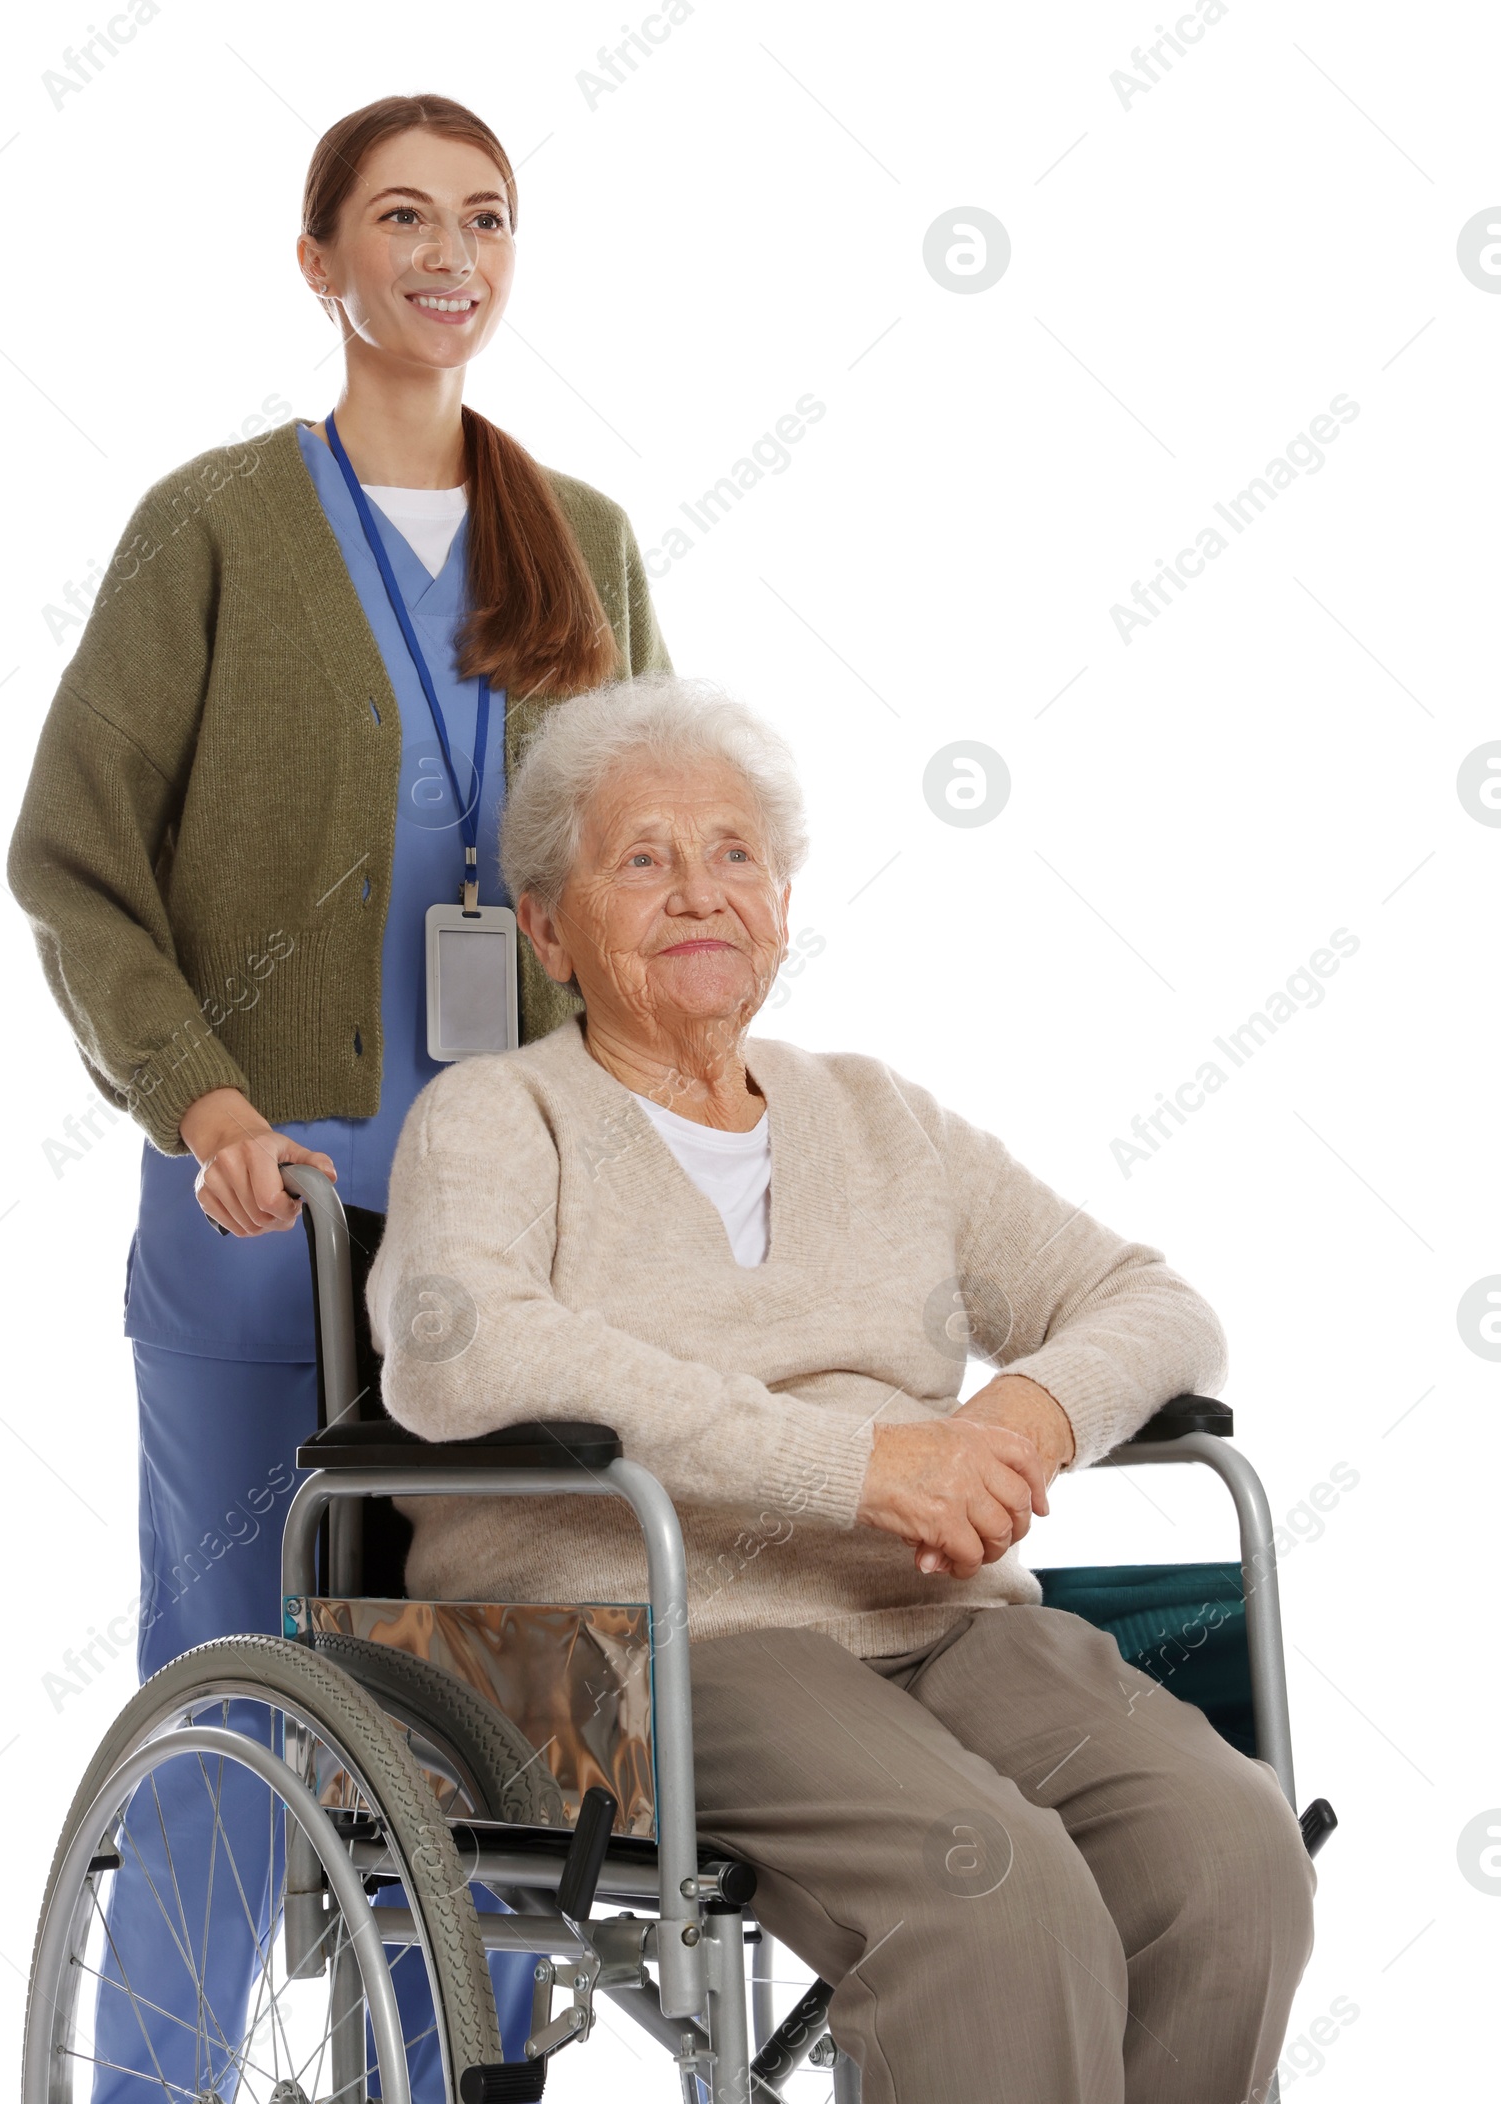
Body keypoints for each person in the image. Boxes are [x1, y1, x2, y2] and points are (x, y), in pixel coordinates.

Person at [365, 672, 1317, 2104]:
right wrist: (860, 1466)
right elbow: (463, 1348)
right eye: (644, 858)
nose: (700, 892)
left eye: (735, 853)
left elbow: (1160, 1306)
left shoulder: (880, 1120)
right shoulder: (502, 1120)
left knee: (1230, 1853)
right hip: (649, 1639)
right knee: (993, 1893)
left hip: (935, 1617)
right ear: (550, 928)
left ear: (785, 904)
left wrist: (1017, 1419)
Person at [6, 91, 669, 2101]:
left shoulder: (590, 541)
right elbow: (73, 863)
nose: (444, 255)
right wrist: (202, 1103)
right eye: (398, 217)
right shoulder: (212, 528)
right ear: (320, 261)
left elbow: (652, 874)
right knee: (233, 1699)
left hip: (510, 1243)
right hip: (265, 1211)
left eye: (482, 218)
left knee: (476, 1727)